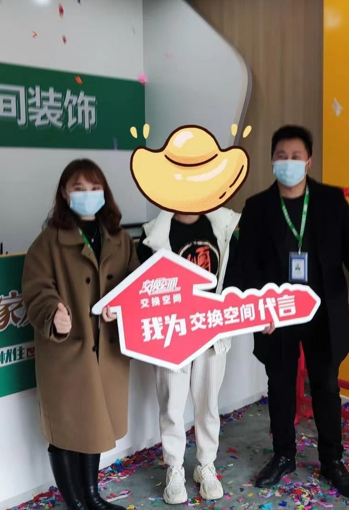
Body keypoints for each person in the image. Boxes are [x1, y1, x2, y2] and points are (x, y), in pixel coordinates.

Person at [232, 125, 349, 498]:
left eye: (296, 156)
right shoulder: (257, 207)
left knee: (326, 384)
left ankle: (332, 460)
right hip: (276, 312)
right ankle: (284, 455)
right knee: (279, 385)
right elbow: (245, 264)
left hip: (323, 308)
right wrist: (255, 308)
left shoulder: (330, 201)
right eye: (281, 156)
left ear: (309, 161)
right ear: (272, 161)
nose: (288, 162)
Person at [23, 159, 140, 510]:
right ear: (64, 193)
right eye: (79, 188)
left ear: (105, 192)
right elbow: (37, 290)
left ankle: (91, 496)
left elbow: (135, 283)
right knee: (65, 428)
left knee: (96, 423)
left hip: (107, 349)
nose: (87, 195)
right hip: (68, 353)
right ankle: (75, 502)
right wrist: (52, 314)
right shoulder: (48, 242)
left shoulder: (120, 238)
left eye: (94, 188)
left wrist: (122, 305)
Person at [136, 207, 241, 504]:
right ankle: (175, 467)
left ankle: (206, 465)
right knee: (172, 403)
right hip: (173, 332)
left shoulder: (223, 227)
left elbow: (235, 277)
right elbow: (142, 287)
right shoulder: (153, 234)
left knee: (208, 402)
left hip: (212, 328)